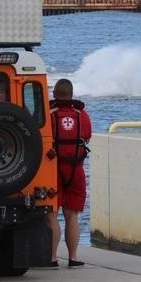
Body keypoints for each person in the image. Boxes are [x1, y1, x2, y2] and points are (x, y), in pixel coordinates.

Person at [46, 79, 92, 268]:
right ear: (71, 94)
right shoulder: (82, 114)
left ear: (54, 94)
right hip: (76, 170)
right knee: (72, 216)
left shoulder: (48, 114)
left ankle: (52, 258)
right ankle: (73, 257)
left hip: (53, 170)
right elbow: (87, 137)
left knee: (51, 215)